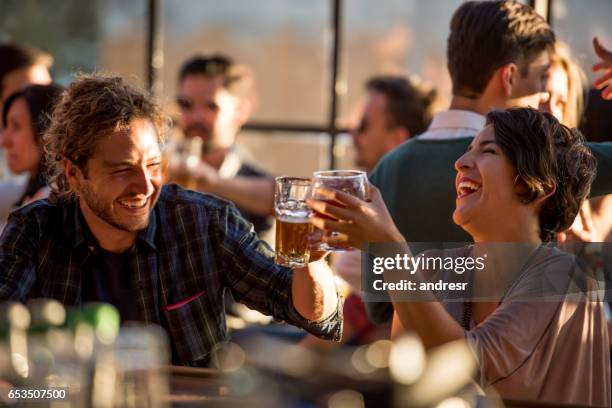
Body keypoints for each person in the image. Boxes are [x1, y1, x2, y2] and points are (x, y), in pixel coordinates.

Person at [0, 74, 342, 367]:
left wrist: (312, 265)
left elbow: (312, 314)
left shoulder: (205, 222)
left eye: (153, 165)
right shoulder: (35, 231)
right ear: (75, 173)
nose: (145, 186)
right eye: (122, 170)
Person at [309, 107, 609, 406]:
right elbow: (407, 389)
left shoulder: (566, 277)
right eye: (468, 151)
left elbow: (467, 366)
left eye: (488, 151)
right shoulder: (431, 270)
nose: (460, 163)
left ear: (537, 185)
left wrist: (389, 247)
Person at [366, 0, 612, 324]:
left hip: (418, 364)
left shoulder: (386, 170)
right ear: (509, 77)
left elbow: (380, 312)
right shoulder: (545, 160)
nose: (544, 97)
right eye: (541, 79)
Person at [303, 75, 440, 350]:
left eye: (363, 126)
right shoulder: (375, 195)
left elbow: (371, 311)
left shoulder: (388, 207)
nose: (352, 133)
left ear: (397, 139)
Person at [169, 54, 274, 234]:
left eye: (211, 106)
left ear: (241, 111)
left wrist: (210, 181)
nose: (196, 117)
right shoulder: (157, 165)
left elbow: (288, 198)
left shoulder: (257, 181)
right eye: (186, 104)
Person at [1, 84, 64, 208]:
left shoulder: (51, 203)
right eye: (5, 127)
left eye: (16, 126)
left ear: (48, 131)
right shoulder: (29, 190)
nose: (3, 141)